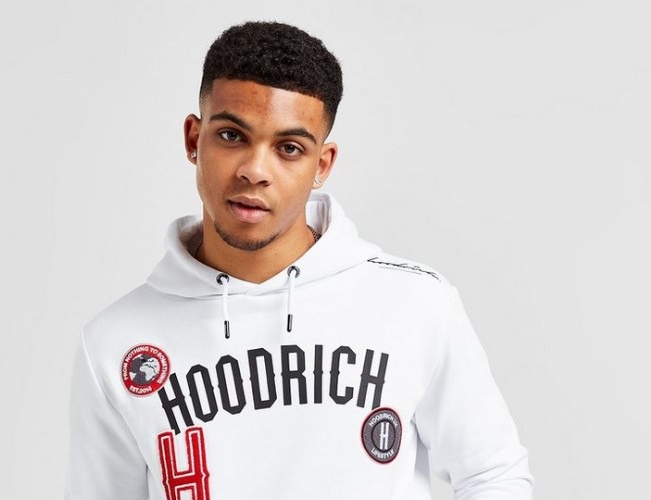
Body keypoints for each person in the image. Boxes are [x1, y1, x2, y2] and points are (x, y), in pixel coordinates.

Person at [66, 21, 534, 500]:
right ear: (193, 139)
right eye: (231, 136)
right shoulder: (115, 342)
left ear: (321, 165)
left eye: (288, 149)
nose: (255, 171)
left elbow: (492, 475)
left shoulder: (416, 303)